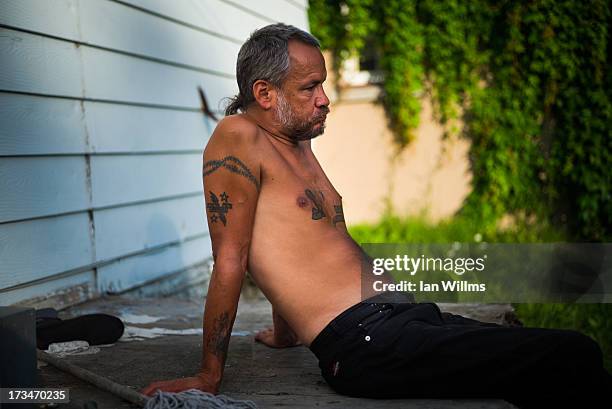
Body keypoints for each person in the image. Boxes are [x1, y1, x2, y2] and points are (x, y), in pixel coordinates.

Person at [142, 23, 612, 408]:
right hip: (366, 342)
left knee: (545, 366)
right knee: (574, 352)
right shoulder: (237, 136)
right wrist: (208, 374)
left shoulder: (296, 141)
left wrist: (285, 332)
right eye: (310, 87)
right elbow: (231, 258)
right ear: (264, 93)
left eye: (322, 84)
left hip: (403, 319)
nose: (325, 98)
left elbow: (297, 246)